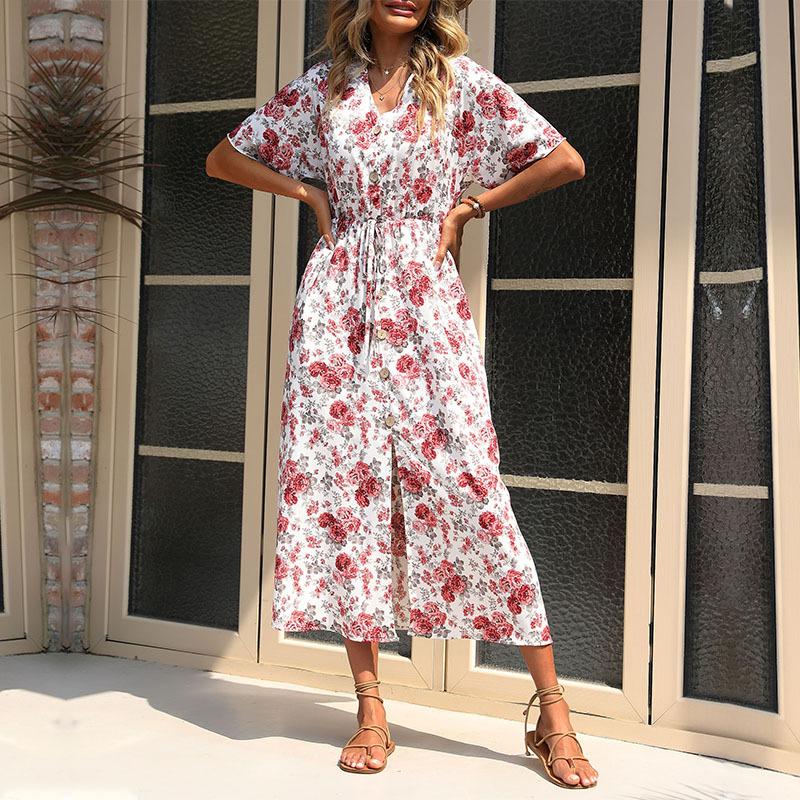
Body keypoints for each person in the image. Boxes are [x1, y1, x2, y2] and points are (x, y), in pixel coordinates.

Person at [206, 0, 595, 789]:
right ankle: (370, 707)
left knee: (472, 484)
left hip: (424, 302)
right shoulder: (326, 88)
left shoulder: (458, 83)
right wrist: (309, 196)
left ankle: (552, 712)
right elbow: (222, 159)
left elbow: (564, 161)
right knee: (349, 494)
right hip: (339, 307)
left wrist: (471, 205)